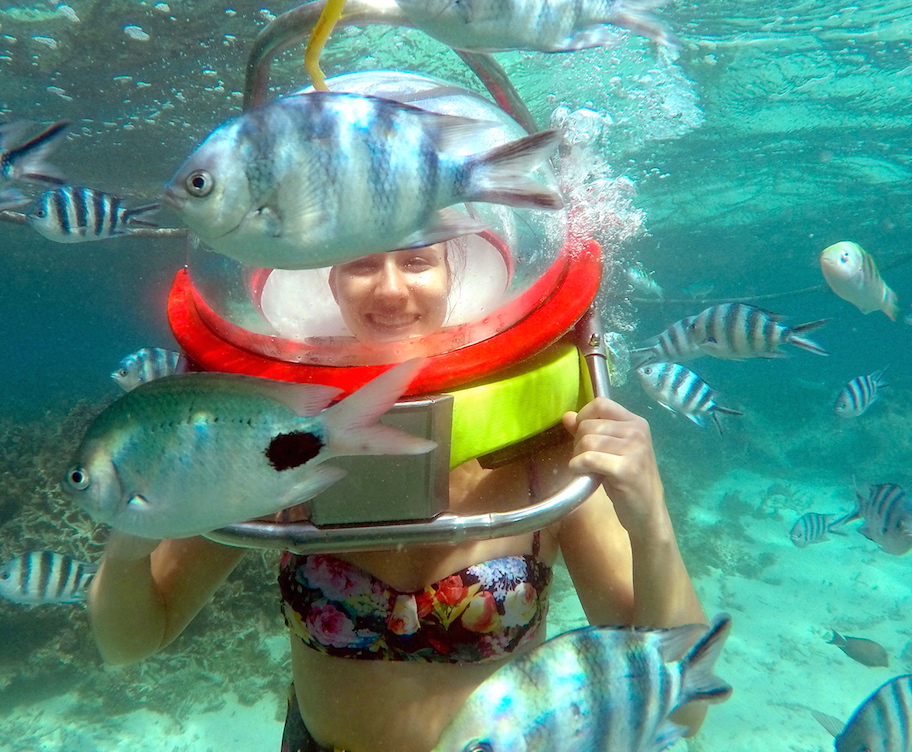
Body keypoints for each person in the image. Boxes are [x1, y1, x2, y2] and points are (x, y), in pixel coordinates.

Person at [87, 245, 708, 752]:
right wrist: (134, 534)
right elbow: (131, 639)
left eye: (417, 261)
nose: (389, 290)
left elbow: (679, 687)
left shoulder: (541, 452)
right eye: (359, 263)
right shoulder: (278, 440)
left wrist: (649, 517)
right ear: (328, 280)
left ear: (452, 272)